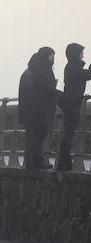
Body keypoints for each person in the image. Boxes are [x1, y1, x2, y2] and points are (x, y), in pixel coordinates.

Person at [18, 47, 57, 171]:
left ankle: (31, 163)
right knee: (35, 137)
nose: (53, 59)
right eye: (51, 56)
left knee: (33, 137)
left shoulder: (30, 72)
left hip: (30, 111)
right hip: (33, 111)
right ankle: (34, 162)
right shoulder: (34, 73)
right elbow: (35, 93)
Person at [58, 43, 90, 172]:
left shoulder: (71, 67)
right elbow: (88, 75)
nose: (83, 55)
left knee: (68, 133)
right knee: (69, 134)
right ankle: (64, 162)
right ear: (76, 54)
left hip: (69, 104)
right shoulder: (73, 68)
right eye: (81, 52)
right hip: (72, 105)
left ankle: (65, 162)